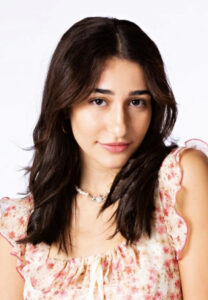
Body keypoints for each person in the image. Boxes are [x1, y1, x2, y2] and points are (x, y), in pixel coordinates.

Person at [0, 16, 208, 300]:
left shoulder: (178, 180)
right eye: (99, 101)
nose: (120, 126)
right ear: (64, 107)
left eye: (136, 102)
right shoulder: (18, 227)